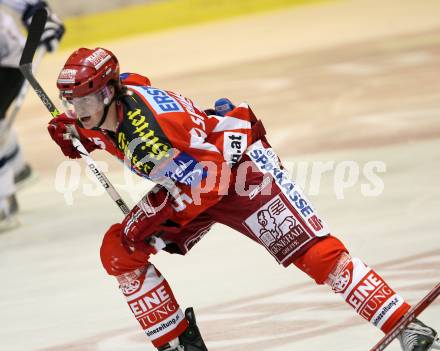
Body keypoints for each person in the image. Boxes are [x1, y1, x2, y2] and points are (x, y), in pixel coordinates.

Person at [47, 47, 439, 351]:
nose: (77, 111)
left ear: (111, 92)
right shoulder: (118, 99)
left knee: (314, 254)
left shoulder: (150, 135)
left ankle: (406, 325)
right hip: (195, 174)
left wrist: (154, 217)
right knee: (119, 250)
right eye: (71, 103)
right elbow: (129, 97)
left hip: (238, 171)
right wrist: (79, 132)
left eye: (85, 102)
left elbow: (209, 181)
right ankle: (179, 343)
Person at [0, 0, 64, 230]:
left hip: (7, 61)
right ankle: (16, 167)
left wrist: (43, 19)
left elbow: (32, 7)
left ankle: (4, 202)